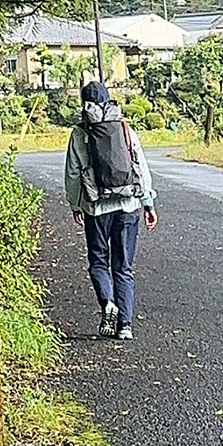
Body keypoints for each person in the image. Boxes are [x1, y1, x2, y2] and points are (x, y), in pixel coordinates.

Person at [64, 78, 156, 340]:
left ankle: (107, 303)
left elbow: (72, 173)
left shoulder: (80, 133)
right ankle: (125, 325)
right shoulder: (125, 129)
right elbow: (141, 167)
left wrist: (75, 204)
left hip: (96, 209)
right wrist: (147, 202)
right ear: (108, 100)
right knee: (123, 267)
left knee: (98, 261)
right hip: (128, 205)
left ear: (84, 104)